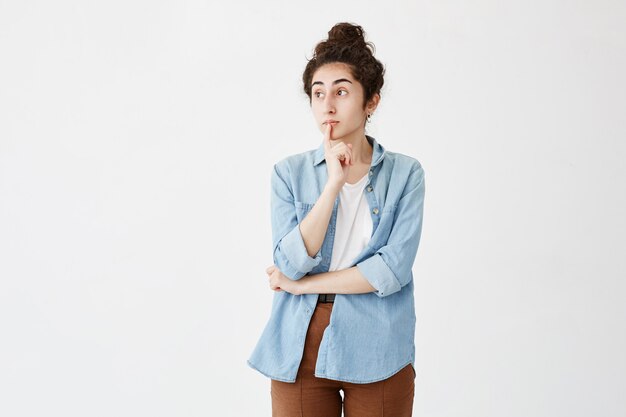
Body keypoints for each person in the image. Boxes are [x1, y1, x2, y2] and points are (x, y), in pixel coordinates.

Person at [247, 22, 426, 417]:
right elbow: (290, 261)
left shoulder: (406, 174)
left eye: (342, 92)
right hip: (299, 340)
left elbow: (390, 271)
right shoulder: (287, 173)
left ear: (371, 102)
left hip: (379, 338)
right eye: (318, 93)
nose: (327, 105)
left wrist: (299, 287)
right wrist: (332, 185)